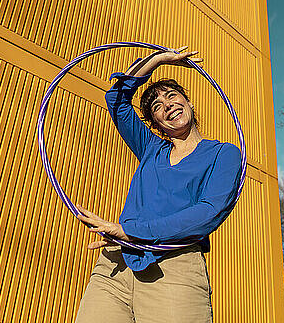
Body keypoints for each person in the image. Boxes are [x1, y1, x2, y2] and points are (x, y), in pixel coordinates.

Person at [74, 46, 242, 323]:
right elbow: (115, 98)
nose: (168, 105)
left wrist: (131, 232)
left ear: (189, 104)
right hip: (116, 263)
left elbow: (208, 213)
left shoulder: (223, 153)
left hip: (173, 267)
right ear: (156, 124)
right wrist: (160, 59)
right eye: (157, 106)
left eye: (173, 96)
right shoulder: (151, 148)